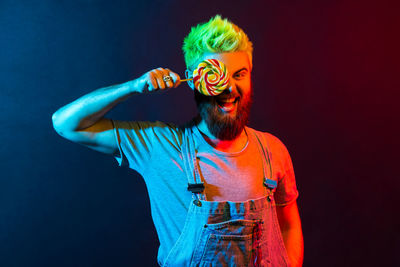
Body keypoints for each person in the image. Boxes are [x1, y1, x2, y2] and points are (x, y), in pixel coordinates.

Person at [52, 15, 304, 267]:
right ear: (196, 80)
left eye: (240, 74)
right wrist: (133, 86)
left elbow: (289, 223)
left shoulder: (273, 150)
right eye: (219, 75)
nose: (228, 87)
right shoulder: (158, 145)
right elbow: (65, 123)